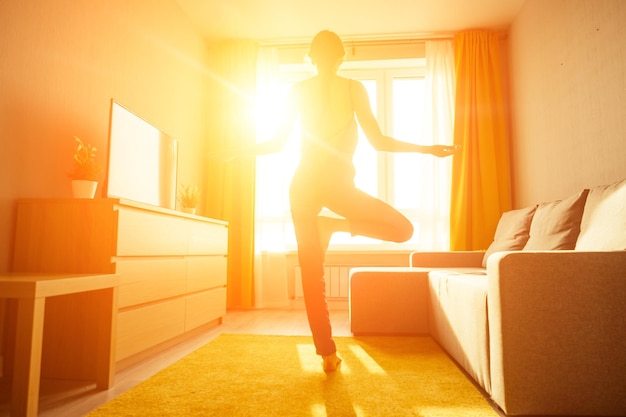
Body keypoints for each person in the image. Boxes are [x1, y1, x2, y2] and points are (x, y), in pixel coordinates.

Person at [233, 30, 459, 372]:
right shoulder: (348, 88)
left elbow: (276, 143)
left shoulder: (314, 90)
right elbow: (379, 141)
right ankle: (327, 352)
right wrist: (427, 150)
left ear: (314, 56)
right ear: (341, 56)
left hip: (310, 186)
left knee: (314, 272)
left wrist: (235, 151)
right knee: (399, 231)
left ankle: (327, 353)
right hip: (329, 186)